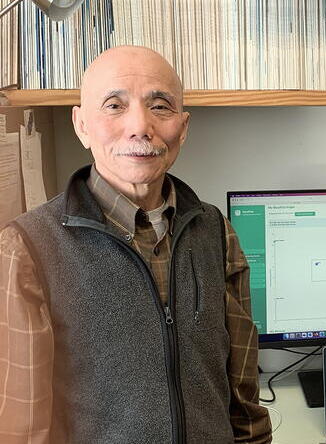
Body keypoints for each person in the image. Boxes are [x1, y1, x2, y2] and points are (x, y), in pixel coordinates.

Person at [0, 46, 272, 443]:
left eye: (160, 106)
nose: (140, 126)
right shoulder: (26, 248)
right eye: (114, 105)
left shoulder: (216, 231)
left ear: (183, 125)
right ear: (81, 124)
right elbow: (21, 431)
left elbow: (243, 396)